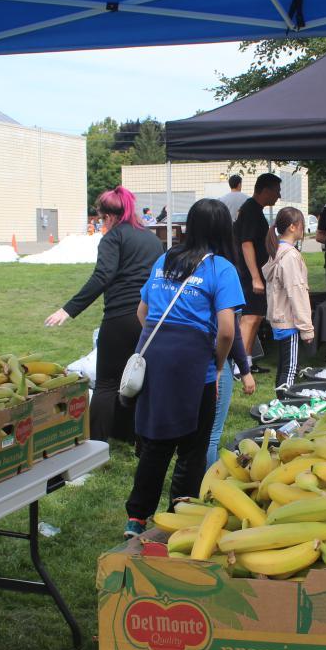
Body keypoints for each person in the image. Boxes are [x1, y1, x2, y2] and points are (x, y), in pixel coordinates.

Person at [124, 198, 244, 538]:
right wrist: (218, 365)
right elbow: (226, 330)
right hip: (193, 363)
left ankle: (136, 518)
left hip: (155, 357)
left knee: (156, 442)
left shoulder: (164, 260)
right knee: (193, 445)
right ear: (224, 230)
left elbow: (141, 313)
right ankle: (181, 513)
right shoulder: (221, 269)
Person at [45, 187, 163, 444]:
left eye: (100, 217)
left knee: (108, 383)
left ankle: (96, 443)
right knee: (139, 379)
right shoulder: (153, 240)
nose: (99, 222)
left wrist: (68, 309)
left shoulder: (113, 238)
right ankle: (135, 437)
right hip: (150, 319)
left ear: (109, 215)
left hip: (120, 318)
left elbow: (102, 276)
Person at [263, 207, 316, 394]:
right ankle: (285, 408)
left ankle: (279, 404)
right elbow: (297, 293)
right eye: (302, 224)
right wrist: (307, 329)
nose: (304, 228)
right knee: (291, 369)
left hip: (279, 318)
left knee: (284, 365)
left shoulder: (277, 250)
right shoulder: (290, 256)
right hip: (289, 320)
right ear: (293, 227)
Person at [234, 173, 282, 359]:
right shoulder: (250, 210)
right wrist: (255, 277)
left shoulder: (255, 209)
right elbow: (246, 243)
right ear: (265, 190)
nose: (279, 195)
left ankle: (247, 360)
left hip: (256, 275)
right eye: (276, 191)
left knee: (257, 316)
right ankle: (240, 364)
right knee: (250, 317)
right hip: (248, 275)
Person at [206, 321, 256, 468]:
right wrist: (245, 371)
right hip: (214, 359)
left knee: (200, 430)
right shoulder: (221, 297)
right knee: (211, 433)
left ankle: (209, 477)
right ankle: (207, 484)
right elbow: (229, 331)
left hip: (189, 357)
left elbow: (142, 312)